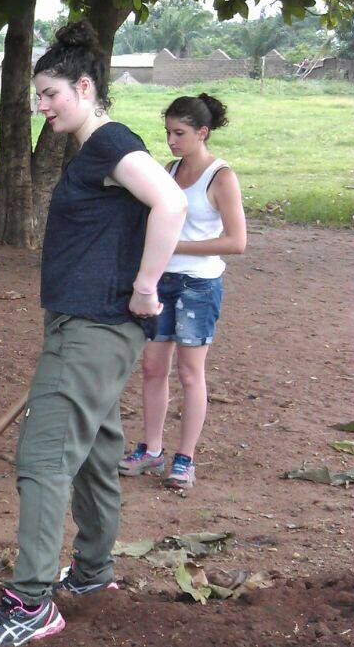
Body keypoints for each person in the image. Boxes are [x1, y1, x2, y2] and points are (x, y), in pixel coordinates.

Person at [0, 22, 187, 646]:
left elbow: (170, 203)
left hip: (92, 328)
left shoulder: (111, 142)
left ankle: (31, 602)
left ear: (84, 87)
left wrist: (147, 286)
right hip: (93, 329)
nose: (43, 105)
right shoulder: (96, 149)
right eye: (39, 95)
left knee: (42, 460)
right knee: (93, 454)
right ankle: (91, 571)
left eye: (50, 93)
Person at [119, 94, 245, 491]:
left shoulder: (221, 176)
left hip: (199, 284)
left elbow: (236, 241)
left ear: (202, 133)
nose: (172, 141)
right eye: (168, 132)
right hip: (162, 281)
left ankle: (184, 458)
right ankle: (152, 449)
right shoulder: (168, 171)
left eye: (180, 133)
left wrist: (176, 247)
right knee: (154, 368)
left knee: (191, 374)